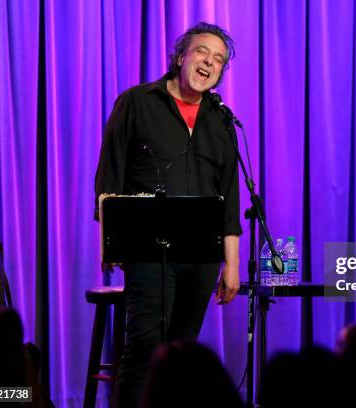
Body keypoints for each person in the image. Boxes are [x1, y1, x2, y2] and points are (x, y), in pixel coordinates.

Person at [94, 22, 242, 407]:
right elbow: (109, 177)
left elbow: (227, 196)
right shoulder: (137, 102)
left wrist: (232, 265)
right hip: (147, 250)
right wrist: (110, 243)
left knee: (180, 353)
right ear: (180, 57)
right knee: (145, 348)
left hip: (202, 254)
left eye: (219, 60)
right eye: (202, 53)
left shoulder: (221, 119)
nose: (210, 63)